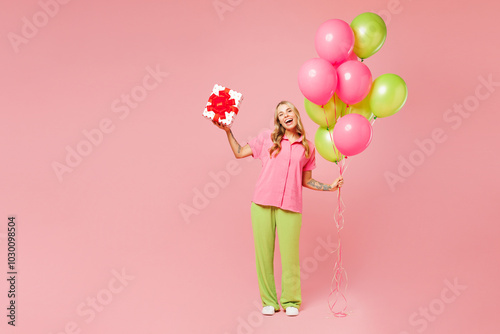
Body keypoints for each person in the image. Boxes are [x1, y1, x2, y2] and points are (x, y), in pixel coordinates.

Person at [213, 100, 343, 317]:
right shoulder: (268, 138)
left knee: (290, 256)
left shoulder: (308, 147)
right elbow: (239, 152)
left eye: (289, 111)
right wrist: (228, 131)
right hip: (262, 203)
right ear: (278, 120)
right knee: (263, 255)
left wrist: (329, 187)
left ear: (296, 114)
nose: (286, 115)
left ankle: (291, 300)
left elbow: (306, 180)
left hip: (291, 206)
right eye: (281, 114)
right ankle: (269, 301)